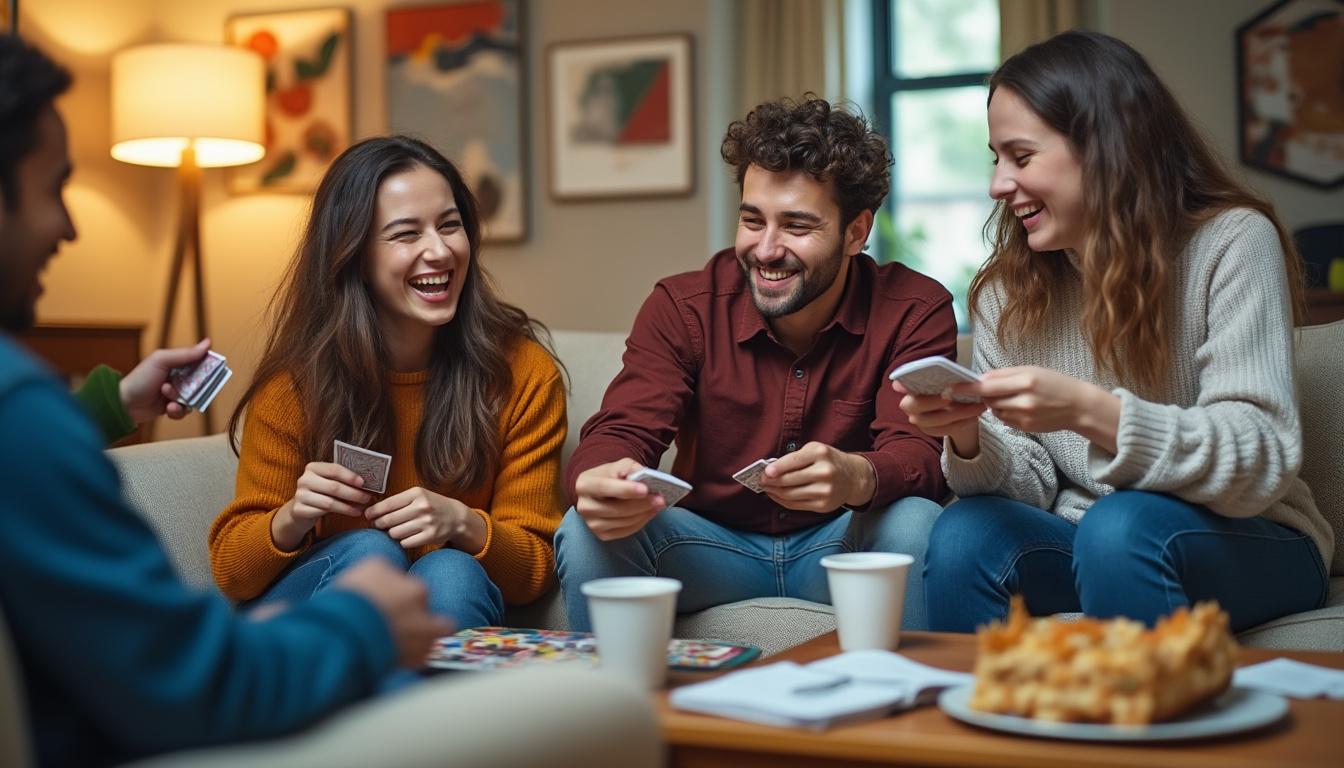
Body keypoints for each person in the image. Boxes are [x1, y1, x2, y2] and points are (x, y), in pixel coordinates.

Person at [0, 35, 453, 766]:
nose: (69, 224)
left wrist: (113, 406)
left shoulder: (25, 416)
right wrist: (361, 620)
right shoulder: (23, 418)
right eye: (53, 187)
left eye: (451, 223)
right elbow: (194, 684)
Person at [894, 30, 1333, 633]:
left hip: (1249, 538)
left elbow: (1258, 459)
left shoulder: (1231, 243)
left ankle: (1143, 721)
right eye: (995, 159)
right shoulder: (1007, 291)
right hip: (1091, 538)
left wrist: (1090, 412)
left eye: (1021, 157)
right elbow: (1029, 480)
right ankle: (981, 719)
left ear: (1105, 149)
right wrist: (970, 437)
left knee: (1118, 526)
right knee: (967, 530)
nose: (998, 183)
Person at [557, 96, 957, 632]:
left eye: (797, 226)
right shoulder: (684, 306)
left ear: (856, 232)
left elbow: (921, 456)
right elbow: (623, 429)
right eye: (752, 220)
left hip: (843, 542)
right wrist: (600, 477)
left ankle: (901, 709)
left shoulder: (914, 308)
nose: (766, 250)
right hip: (706, 546)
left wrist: (855, 475)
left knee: (914, 522)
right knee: (585, 528)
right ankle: (617, 713)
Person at [209, 136, 566, 631]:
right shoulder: (295, 387)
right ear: (353, 254)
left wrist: (463, 524)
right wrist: (293, 516)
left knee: (453, 569)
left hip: (449, 606)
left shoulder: (522, 374)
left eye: (450, 225)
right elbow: (232, 573)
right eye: (405, 234)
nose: (439, 251)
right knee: (370, 552)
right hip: (310, 626)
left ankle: (415, 709)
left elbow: (534, 571)